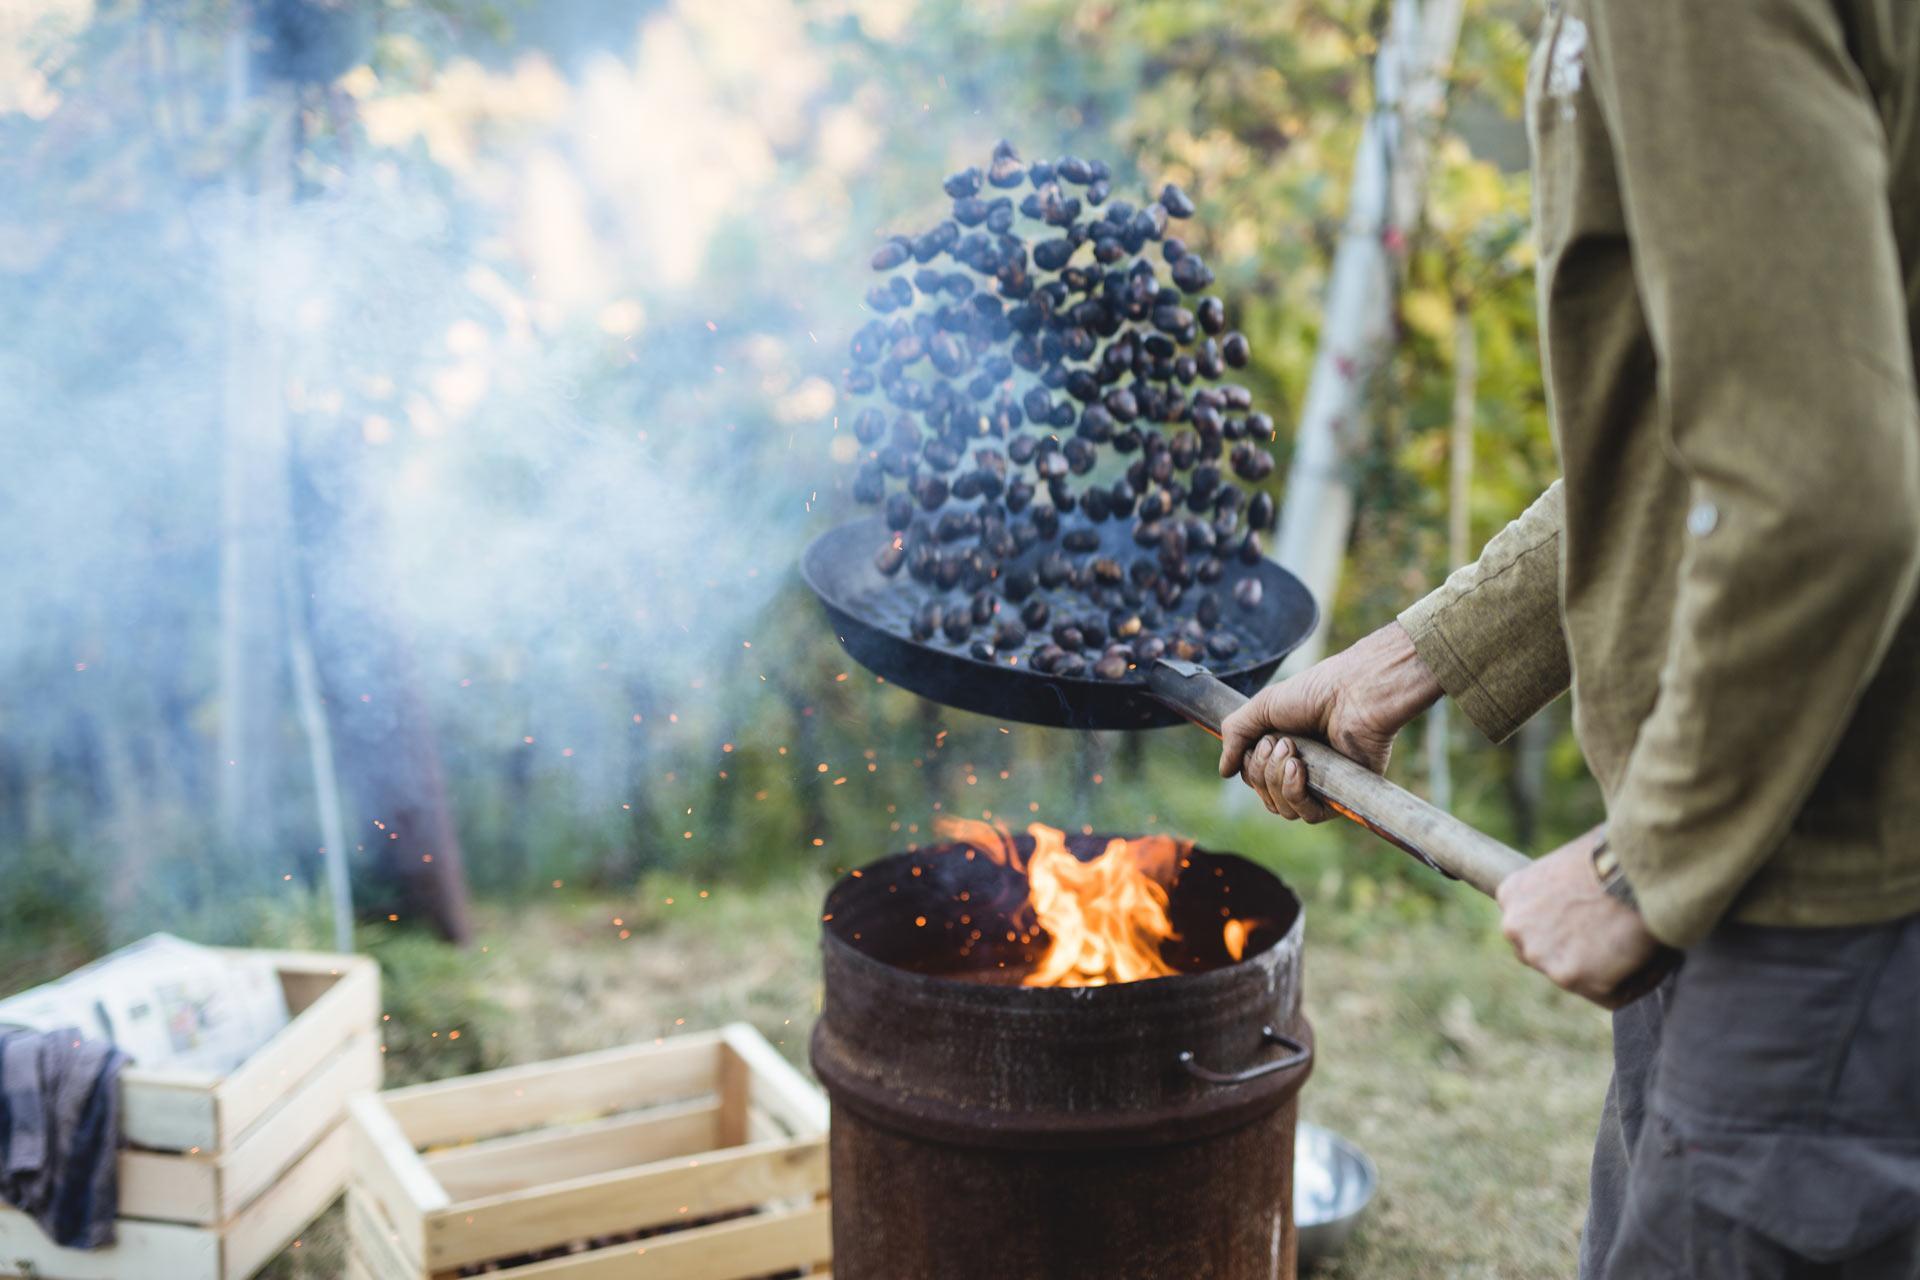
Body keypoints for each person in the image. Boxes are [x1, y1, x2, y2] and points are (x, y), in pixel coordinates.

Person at [1216, 1, 1920, 1275]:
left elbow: (1821, 486)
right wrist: (1418, 653)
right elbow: (1701, 431)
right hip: (1761, 854)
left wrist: (1642, 862)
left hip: (1818, 881)